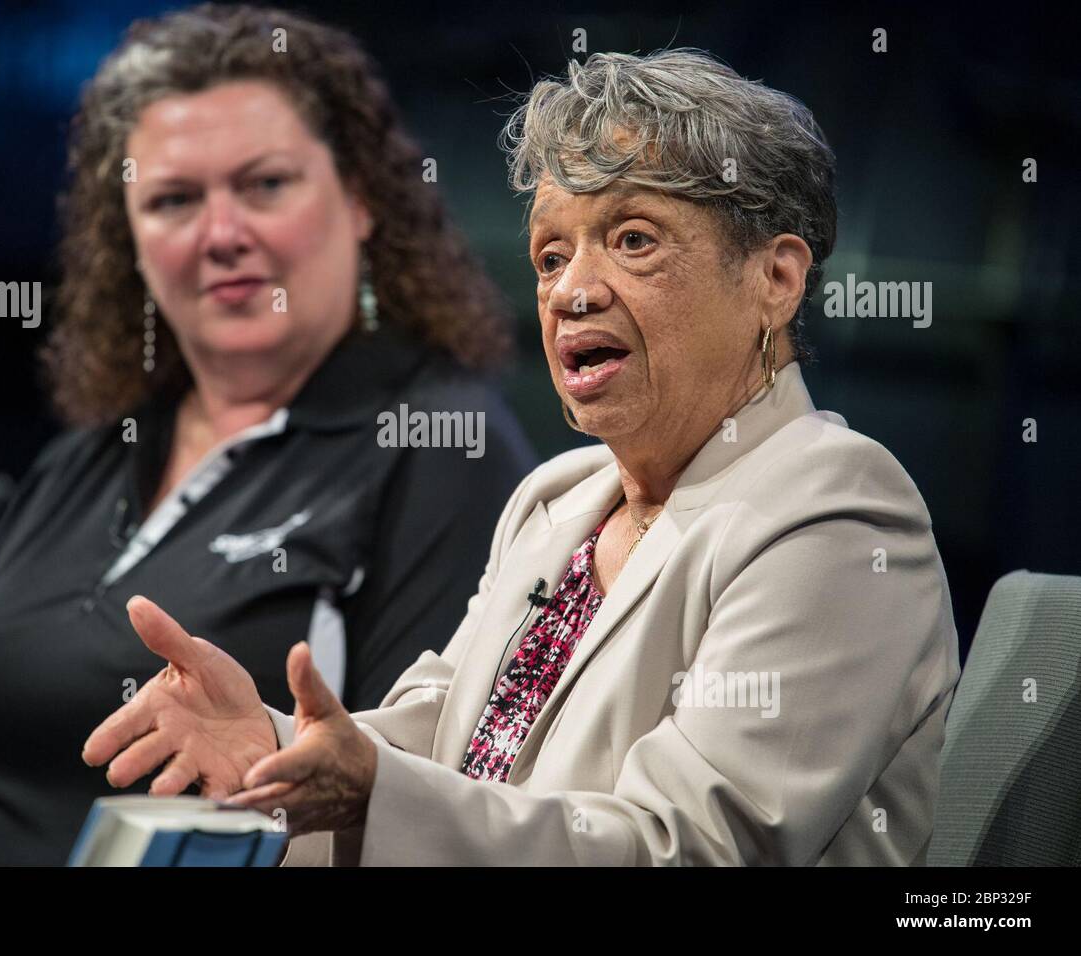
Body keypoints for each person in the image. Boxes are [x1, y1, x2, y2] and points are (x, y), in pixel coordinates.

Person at [82, 48, 962, 866]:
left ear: (774, 279)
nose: (573, 290)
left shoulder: (836, 509)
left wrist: (373, 793)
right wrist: (275, 749)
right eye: (551, 254)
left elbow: (687, 845)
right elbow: (437, 742)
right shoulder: (556, 499)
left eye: (634, 240)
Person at [0, 4, 535, 866]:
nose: (223, 234)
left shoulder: (442, 442)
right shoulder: (84, 456)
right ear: (131, 239)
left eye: (265, 185)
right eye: (175, 199)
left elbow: (446, 792)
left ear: (361, 200)